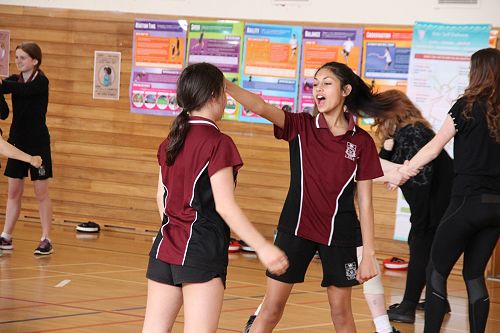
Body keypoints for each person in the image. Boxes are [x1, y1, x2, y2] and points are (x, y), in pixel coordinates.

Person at [227, 61, 389, 333]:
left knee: (341, 313)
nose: (318, 90)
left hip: (340, 235)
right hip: (296, 229)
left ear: (346, 90)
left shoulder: (361, 142)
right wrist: (225, 84)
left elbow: (366, 202)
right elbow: (260, 107)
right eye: (315, 84)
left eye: (326, 83)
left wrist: (369, 253)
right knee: (271, 308)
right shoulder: (300, 126)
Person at [141, 62, 288, 333]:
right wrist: (262, 247)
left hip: (164, 248)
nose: (225, 100)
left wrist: (176, 228)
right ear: (213, 96)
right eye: (223, 93)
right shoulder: (219, 142)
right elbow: (225, 206)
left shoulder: (170, 140)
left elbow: (160, 197)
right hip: (201, 251)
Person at [397, 48, 500, 333]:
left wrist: (405, 170)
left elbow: (433, 147)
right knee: (474, 276)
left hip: (466, 202)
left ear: (476, 72)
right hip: (496, 208)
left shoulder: (466, 106)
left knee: (435, 271)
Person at [370, 89, 453, 323]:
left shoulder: (413, 132)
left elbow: (421, 181)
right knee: (427, 251)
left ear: (390, 113)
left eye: (380, 116)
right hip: (436, 201)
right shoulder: (405, 133)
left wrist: (419, 219)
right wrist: (387, 147)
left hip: (436, 202)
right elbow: (382, 168)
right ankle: (439, 300)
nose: (378, 122)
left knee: (420, 248)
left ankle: (407, 308)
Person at [0, 42, 53, 255]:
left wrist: (3, 84)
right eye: (17, 57)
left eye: (23, 58)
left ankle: (46, 238)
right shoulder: (14, 80)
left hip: (38, 144)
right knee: (13, 191)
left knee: (41, 192)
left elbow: (24, 89)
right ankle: (6, 235)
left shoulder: (41, 81)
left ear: (35, 61)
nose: (18, 61)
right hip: (17, 141)